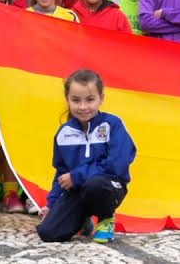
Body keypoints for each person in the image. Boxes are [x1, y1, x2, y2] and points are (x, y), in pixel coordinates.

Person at [36, 70, 136, 244]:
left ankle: (106, 219)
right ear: (67, 99)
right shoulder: (63, 133)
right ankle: (84, 221)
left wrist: (77, 176)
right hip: (78, 190)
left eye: (90, 100)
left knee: (95, 184)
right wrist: (50, 205)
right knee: (48, 233)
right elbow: (61, 173)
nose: (83, 107)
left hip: (109, 185)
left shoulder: (113, 125)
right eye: (76, 100)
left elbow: (116, 165)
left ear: (101, 98)